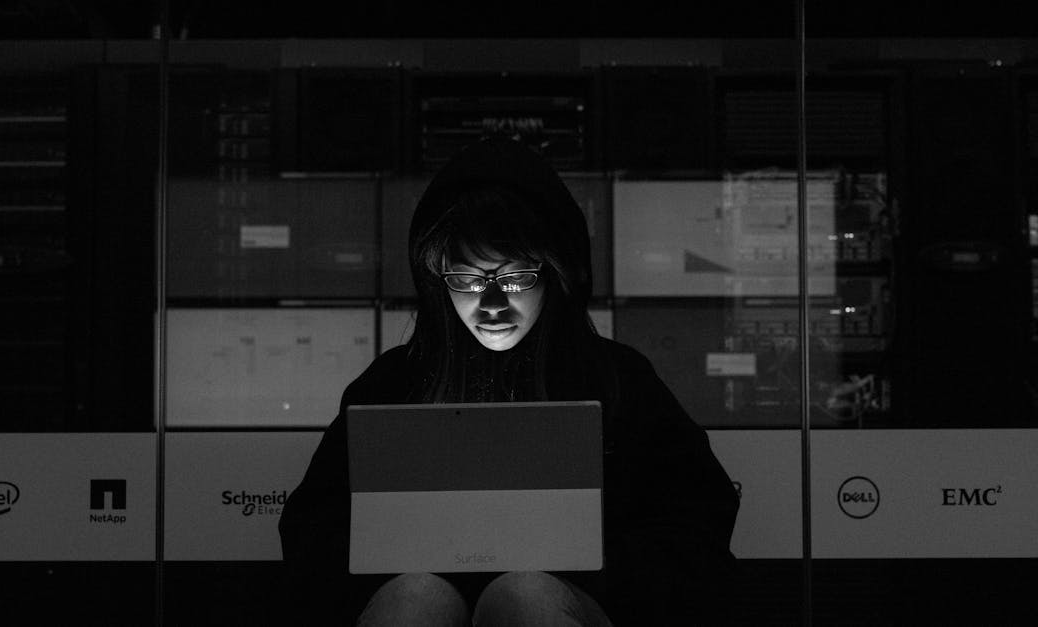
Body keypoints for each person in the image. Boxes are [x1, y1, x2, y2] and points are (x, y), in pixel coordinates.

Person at [279, 138, 739, 626]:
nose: (492, 305)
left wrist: (594, 567)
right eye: (470, 280)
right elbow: (313, 532)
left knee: (526, 598)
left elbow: (696, 522)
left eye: (516, 277)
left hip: (571, 605)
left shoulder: (616, 379)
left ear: (556, 274)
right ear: (439, 280)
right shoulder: (394, 382)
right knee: (416, 601)